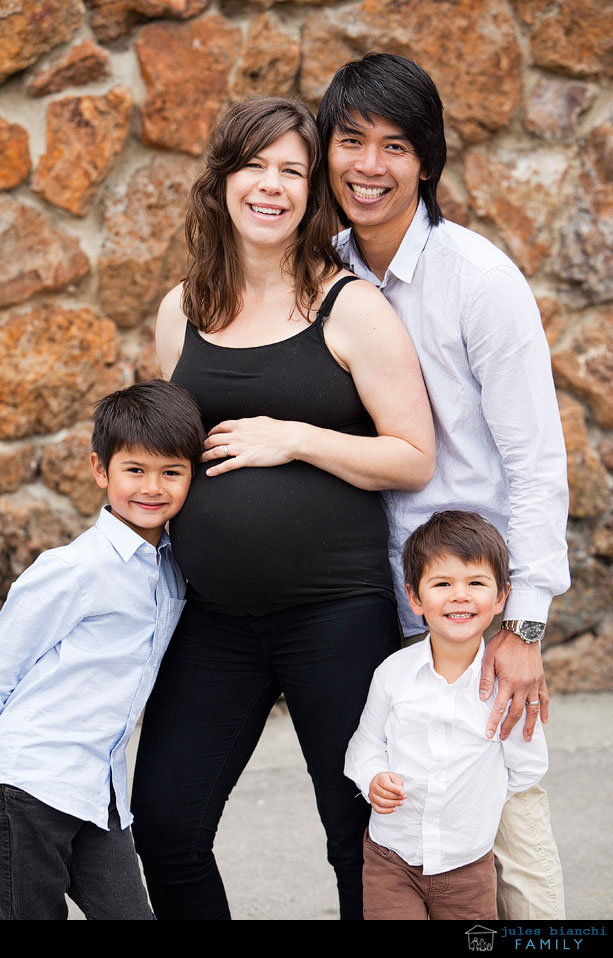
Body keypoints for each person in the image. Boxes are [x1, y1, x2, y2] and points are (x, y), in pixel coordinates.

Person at [130, 96, 435, 920]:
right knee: (164, 822)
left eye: (292, 171)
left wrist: (294, 437)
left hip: (334, 615)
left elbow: (412, 455)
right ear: (222, 179)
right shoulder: (180, 311)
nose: (271, 185)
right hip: (214, 617)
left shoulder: (351, 308)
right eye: (253, 165)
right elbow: (172, 462)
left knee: (357, 834)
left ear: (311, 195)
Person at [317, 54, 569, 919]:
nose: (369, 166)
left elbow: (537, 461)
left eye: (394, 146)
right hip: (372, 593)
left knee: (510, 824)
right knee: (397, 815)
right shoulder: (323, 271)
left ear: (426, 161)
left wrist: (524, 624)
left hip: (469, 598)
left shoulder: (477, 278)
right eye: (350, 142)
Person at [0, 380, 204, 921]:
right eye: (134, 470)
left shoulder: (174, 570)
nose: (152, 487)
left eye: (172, 471)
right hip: (29, 784)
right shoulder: (70, 571)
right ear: (100, 470)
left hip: (103, 790)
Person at [345, 511, 549, 920]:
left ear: (501, 597)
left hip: (468, 867)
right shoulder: (393, 674)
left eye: (476, 583)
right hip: (392, 859)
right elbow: (364, 746)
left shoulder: (507, 687)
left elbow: (527, 767)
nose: (460, 595)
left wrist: (476, 799)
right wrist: (372, 779)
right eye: (442, 584)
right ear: (415, 598)